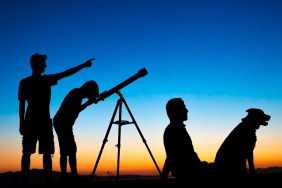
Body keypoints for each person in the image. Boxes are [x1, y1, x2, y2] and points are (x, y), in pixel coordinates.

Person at [18, 53, 95, 185]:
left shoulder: (27, 82)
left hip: (36, 121)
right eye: (43, 63)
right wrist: (83, 65)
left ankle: (40, 180)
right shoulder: (37, 81)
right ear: (37, 65)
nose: (46, 66)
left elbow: (66, 73)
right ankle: (35, 180)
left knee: (36, 153)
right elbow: (66, 73)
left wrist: (22, 122)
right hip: (37, 122)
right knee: (33, 153)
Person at [53, 80, 99, 184]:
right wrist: (88, 103)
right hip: (62, 123)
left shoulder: (78, 94)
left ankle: (70, 176)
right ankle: (67, 177)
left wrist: (89, 101)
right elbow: (75, 109)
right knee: (66, 151)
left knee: (70, 150)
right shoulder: (76, 94)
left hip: (64, 124)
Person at [162, 98, 210, 181]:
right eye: (183, 108)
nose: (187, 110)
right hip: (191, 173)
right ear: (176, 111)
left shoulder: (177, 129)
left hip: (194, 169)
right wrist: (163, 178)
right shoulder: (174, 130)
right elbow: (171, 157)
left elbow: (170, 156)